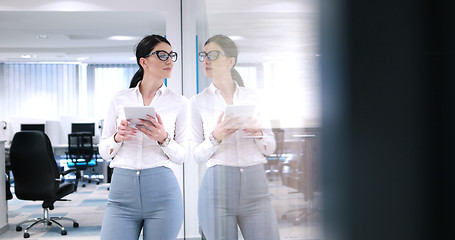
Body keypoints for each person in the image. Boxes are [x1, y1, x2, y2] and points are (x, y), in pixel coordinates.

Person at [190, 35, 280, 240]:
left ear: (231, 61)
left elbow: (270, 147)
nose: (205, 60)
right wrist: (216, 136)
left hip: (256, 186)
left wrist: (258, 132)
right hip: (217, 190)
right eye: (203, 55)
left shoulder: (254, 97)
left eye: (212, 55)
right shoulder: (197, 102)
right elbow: (196, 155)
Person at [98, 34, 187, 240]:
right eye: (162, 55)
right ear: (143, 61)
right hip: (121, 193)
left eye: (171, 55)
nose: (169, 60)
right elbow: (104, 152)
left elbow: (181, 156)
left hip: (163, 194)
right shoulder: (119, 99)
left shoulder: (179, 103)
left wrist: (163, 137)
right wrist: (117, 138)